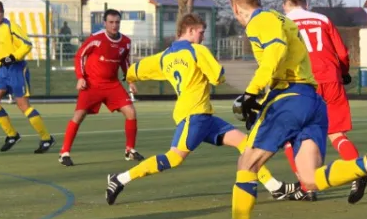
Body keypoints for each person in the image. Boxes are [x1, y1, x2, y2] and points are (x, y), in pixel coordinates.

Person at [203, 0, 367, 219]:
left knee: (246, 163)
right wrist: (259, 100)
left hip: (290, 100)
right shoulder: (280, 19)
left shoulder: (260, 21)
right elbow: (286, 59)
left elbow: (274, 53)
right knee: (308, 180)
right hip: (312, 101)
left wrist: (251, 93)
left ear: (235, 8)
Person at [105, 13, 295, 205]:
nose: (203, 37)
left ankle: (274, 186)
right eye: (201, 32)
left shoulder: (164, 56)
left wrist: (129, 77)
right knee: (174, 158)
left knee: (245, 144)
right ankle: (119, 179)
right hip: (194, 116)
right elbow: (218, 77)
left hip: (204, 117)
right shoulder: (197, 50)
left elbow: (136, 70)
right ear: (190, 31)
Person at [281, 0, 367, 204]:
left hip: (304, 83)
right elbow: (343, 53)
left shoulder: (283, 22)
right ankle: (357, 171)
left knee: (292, 138)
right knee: (336, 134)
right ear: (306, 4)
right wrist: (344, 72)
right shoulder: (323, 19)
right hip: (331, 79)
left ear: (286, 6)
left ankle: (306, 186)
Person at [58, 9, 143, 166]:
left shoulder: (126, 42)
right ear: (105, 23)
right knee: (79, 115)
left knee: (131, 112)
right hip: (92, 84)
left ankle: (129, 150)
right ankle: (64, 153)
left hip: (112, 84)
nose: (114, 25)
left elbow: (124, 62)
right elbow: (80, 56)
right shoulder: (96, 39)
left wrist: (130, 80)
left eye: (117, 22)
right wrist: (81, 78)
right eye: (111, 22)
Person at [0, 0, 55, 153]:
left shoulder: (11, 26)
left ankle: (46, 138)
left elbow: (27, 44)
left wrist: (12, 57)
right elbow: (4, 55)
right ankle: (12, 135)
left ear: (3, 12)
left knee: (23, 106)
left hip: (17, 70)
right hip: (3, 71)